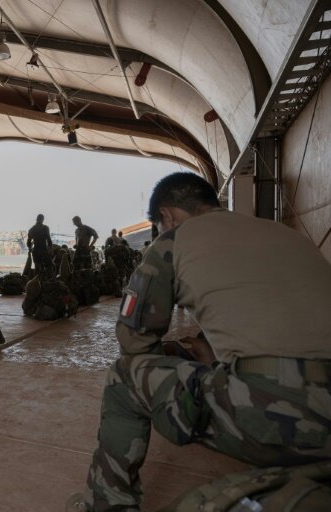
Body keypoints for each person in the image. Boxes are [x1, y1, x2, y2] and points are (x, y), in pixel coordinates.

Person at [68, 172, 331, 511]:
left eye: (159, 226)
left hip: (282, 410)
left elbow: (135, 343)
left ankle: (104, 505)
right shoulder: (287, 234)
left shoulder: (174, 240)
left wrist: (183, 370)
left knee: (125, 375)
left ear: (168, 216)